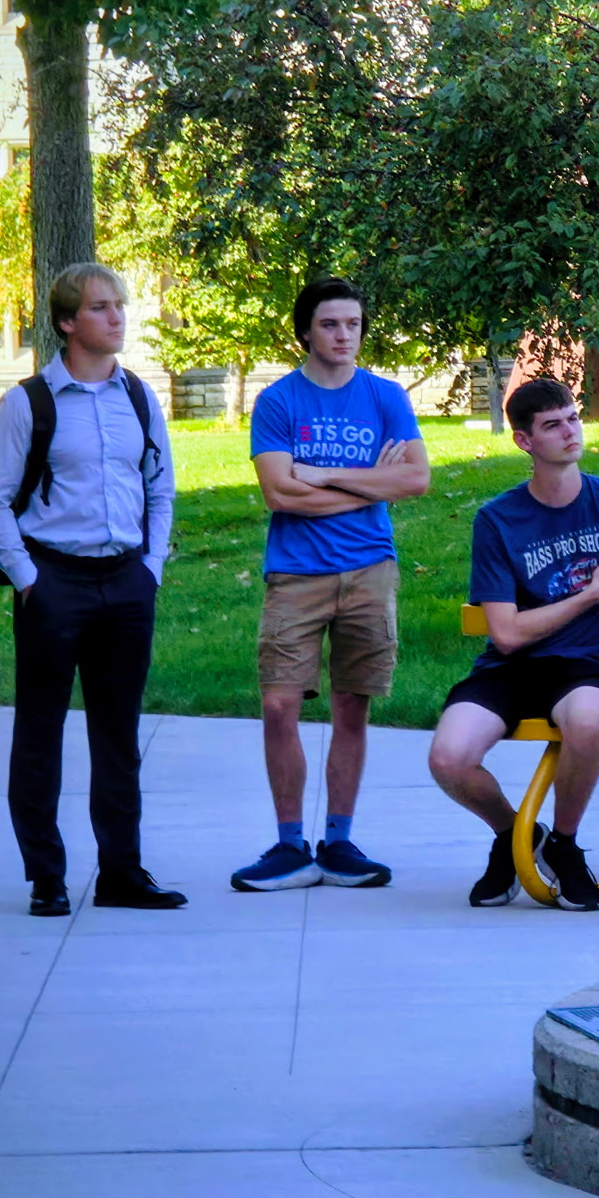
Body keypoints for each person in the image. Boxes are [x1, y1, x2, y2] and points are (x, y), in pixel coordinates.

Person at [427, 377, 599, 910]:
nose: (569, 432)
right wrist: (595, 593)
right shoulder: (498, 520)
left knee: (585, 718)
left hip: (585, 665)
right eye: (552, 425)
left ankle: (564, 843)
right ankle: (515, 836)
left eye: (573, 419)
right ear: (524, 442)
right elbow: (506, 634)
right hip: (509, 669)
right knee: (448, 757)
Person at [0, 263, 183, 915]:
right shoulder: (26, 404)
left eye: (119, 305)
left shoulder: (139, 398)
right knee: (40, 733)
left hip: (126, 582)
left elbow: (160, 487)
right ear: (67, 322)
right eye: (100, 307)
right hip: (53, 581)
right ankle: (47, 878)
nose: (116, 317)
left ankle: (121, 872)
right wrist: (30, 580)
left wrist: (150, 568)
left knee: (118, 734)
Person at [232, 279, 430, 894]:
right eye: (331, 325)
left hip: (371, 569)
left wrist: (319, 473)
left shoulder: (385, 397)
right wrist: (370, 478)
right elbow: (278, 492)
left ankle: (339, 841)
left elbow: (416, 480)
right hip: (295, 573)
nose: (344, 336)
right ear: (306, 332)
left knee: (353, 705)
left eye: (353, 324)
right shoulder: (278, 401)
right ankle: (290, 845)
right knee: (278, 705)